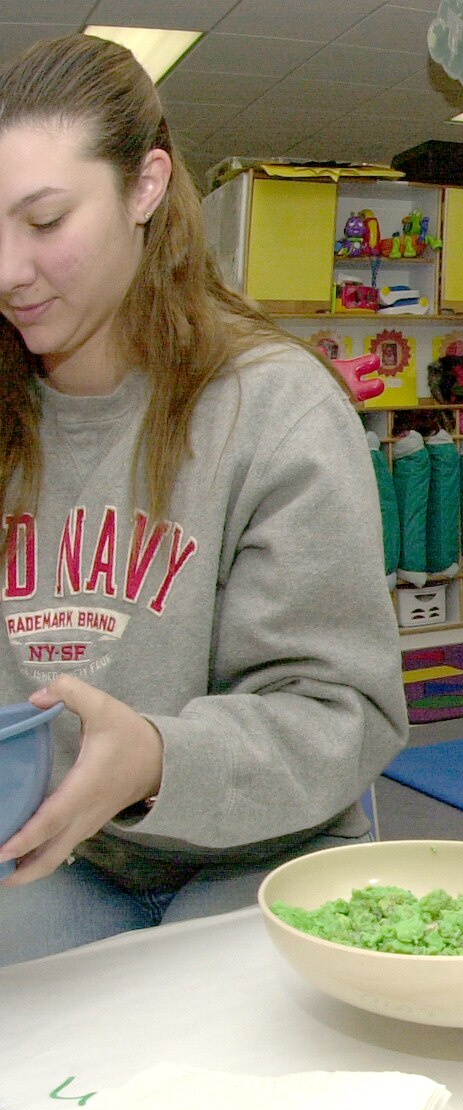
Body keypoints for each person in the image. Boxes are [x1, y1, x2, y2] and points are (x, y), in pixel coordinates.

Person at [0, 35, 408, 965]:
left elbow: (341, 711)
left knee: (195, 1070)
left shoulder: (276, 406)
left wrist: (154, 758)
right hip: (67, 856)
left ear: (146, 187)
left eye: (45, 220)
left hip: (266, 853)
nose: (7, 270)